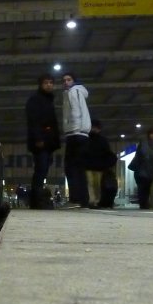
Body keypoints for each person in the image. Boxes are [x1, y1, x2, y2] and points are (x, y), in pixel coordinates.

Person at [24, 74, 61, 208]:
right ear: (40, 84)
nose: (49, 85)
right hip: (41, 142)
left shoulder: (48, 100)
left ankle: (36, 200)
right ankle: (36, 201)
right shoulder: (36, 99)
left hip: (48, 142)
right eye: (46, 83)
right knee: (40, 170)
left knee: (43, 170)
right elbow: (33, 121)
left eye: (51, 82)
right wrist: (38, 138)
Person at [61, 72, 91, 208]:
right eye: (64, 80)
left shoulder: (74, 91)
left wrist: (75, 129)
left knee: (72, 168)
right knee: (78, 168)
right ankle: (82, 200)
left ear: (74, 81)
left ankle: (76, 199)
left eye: (69, 79)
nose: (66, 82)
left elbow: (76, 111)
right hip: (76, 133)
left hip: (76, 134)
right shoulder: (71, 92)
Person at [85, 118, 117, 207]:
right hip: (92, 166)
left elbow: (107, 153)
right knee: (91, 183)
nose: (94, 129)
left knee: (96, 184)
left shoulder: (90, 139)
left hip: (97, 167)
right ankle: (93, 200)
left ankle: (96, 200)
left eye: (95, 127)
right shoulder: (99, 140)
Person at [129, 126, 153, 209]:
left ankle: (145, 203)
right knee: (142, 187)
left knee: (147, 187)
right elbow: (138, 155)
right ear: (149, 134)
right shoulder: (143, 142)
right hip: (141, 168)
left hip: (151, 169)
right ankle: (143, 203)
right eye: (152, 134)